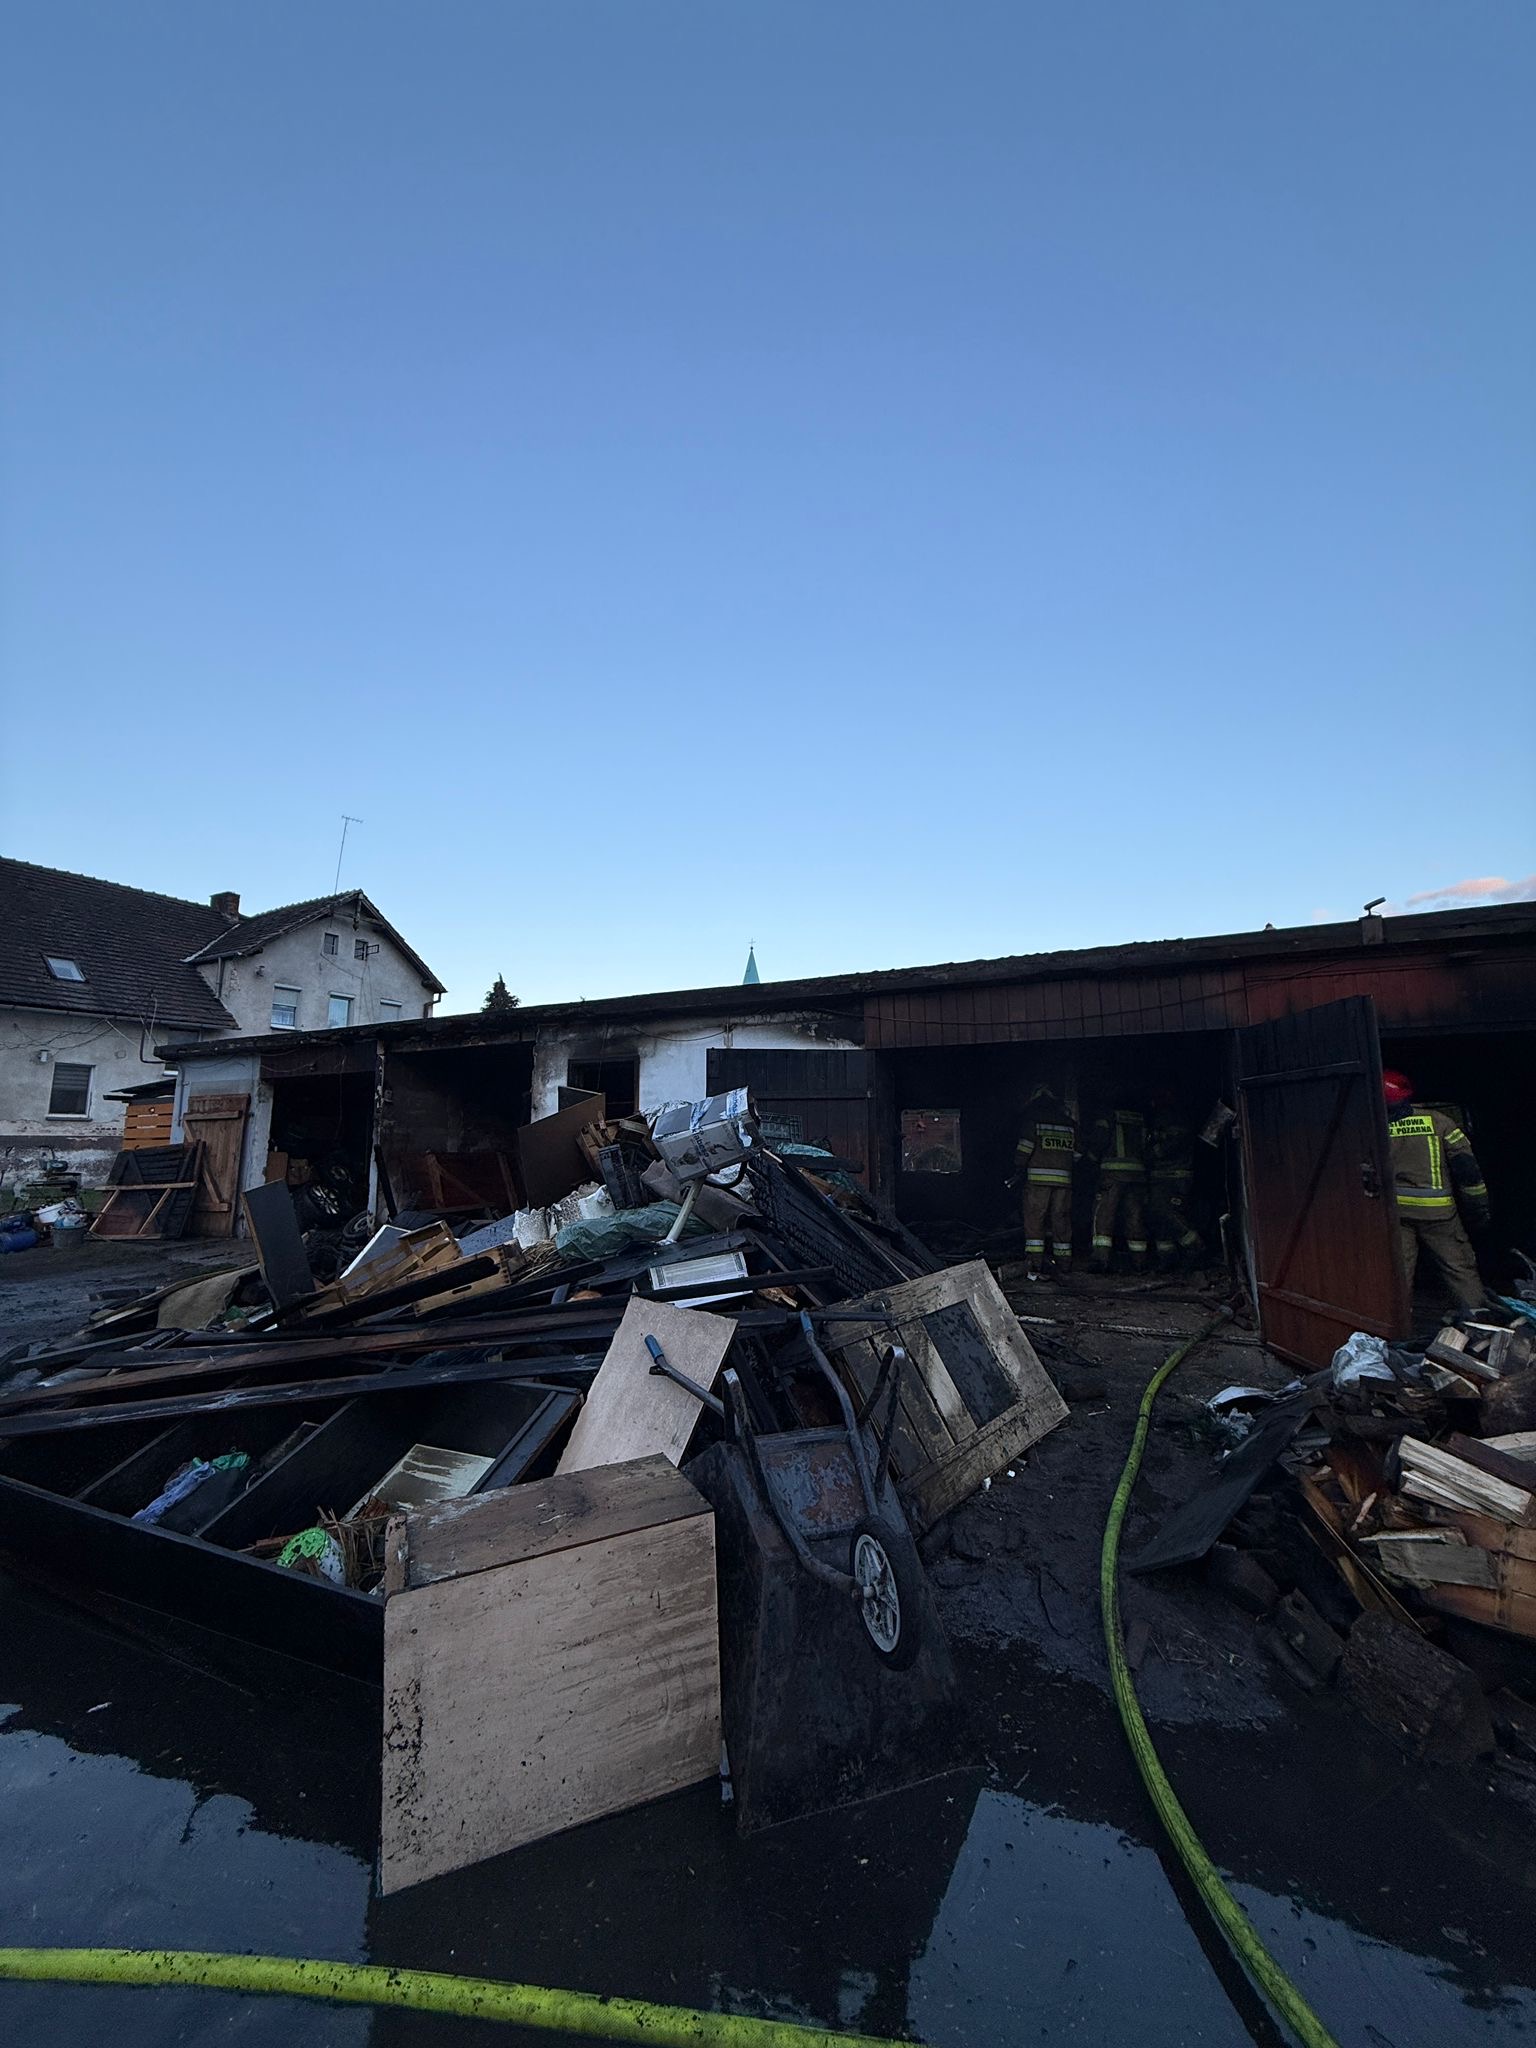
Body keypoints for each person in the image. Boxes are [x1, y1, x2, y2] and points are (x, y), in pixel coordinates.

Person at [1384, 1069, 1489, 1312]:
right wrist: (1478, 1210)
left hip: (1396, 1213)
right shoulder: (1440, 1122)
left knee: (1398, 1272)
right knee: (1458, 1267)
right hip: (1438, 1214)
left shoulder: (1375, 1126)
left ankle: (1396, 1324)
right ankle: (1478, 1320)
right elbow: (1467, 1171)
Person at [1012, 1082, 1078, 1279]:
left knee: (1035, 1221)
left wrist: (1018, 1167)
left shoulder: (1033, 1121)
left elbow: (1024, 1150)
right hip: (1064, 1182)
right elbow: (1079, 1152)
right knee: (1061, 1221)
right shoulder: (1069, 1123)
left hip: (1037, 1182)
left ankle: (1035, 1264)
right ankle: (1064, 1263)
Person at [1086, 1103, 1149, 1272]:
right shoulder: (1140, 1116)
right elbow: (1147, 1145)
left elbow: (1099, 1140)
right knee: (1135, 1218)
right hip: (1137, 1175)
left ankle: (1101, 1260)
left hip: (1112, 1174)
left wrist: (1089, 1160)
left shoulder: (1108, 1114)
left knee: (1103, 1215)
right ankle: (1140, 1262)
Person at [1145, 1093, 1205, 1270]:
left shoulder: (1176, 1118)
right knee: (1157, 1216)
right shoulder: (1160, 1118)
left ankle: (1196, 1246)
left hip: (1175, 1176)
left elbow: (1174, 1142)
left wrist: (1153, 1152)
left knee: (1166, 1213)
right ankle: (1168, 1258)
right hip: (1161, 1177)